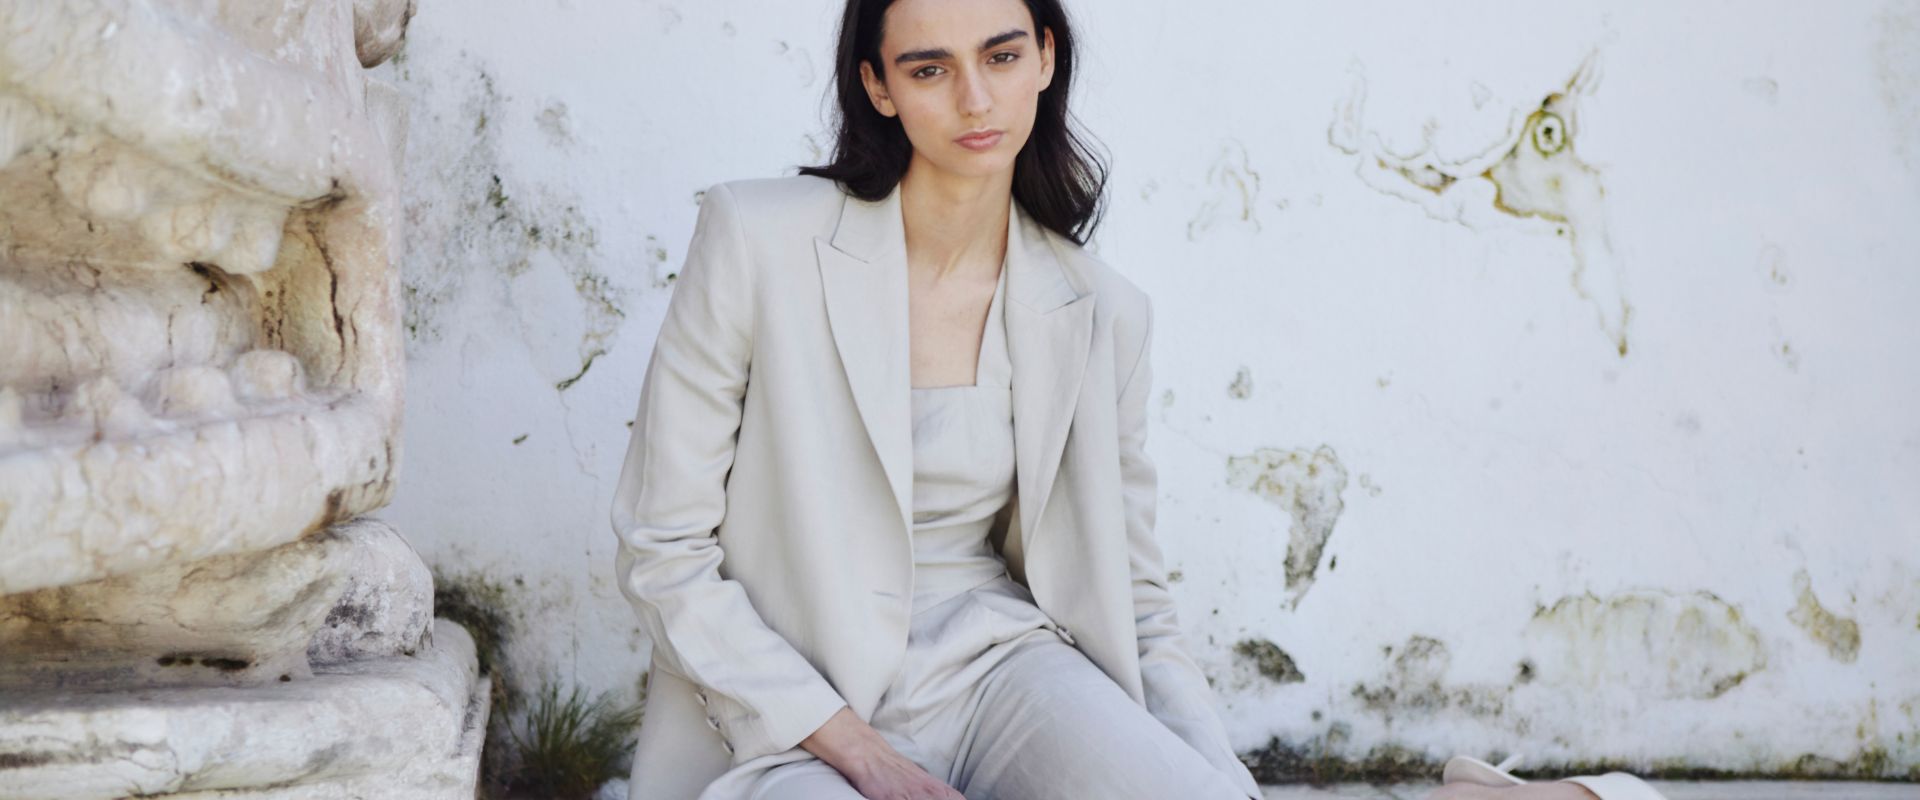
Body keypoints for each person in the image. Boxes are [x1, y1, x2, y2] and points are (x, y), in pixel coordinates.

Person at [611, 1, 1667, 799]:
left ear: (1046, 57)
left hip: (1004, 672)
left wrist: (1217, 783)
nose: (975, 100)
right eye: (930, 68)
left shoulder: (1099, 308)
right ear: (878, 86)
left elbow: (1140, 595)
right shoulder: (757, 240)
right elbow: (664, 550)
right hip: (798, 707)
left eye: (1001, 56)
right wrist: (862, 753)